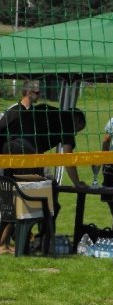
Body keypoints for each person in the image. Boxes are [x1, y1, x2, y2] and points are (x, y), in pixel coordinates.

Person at [0, 105, 87, 254]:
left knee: (10, 194)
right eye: (78, 129)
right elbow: (68, 157)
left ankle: (8, 242)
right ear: (77, 119)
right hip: (25, 152)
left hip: (7, 148)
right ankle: (8, 244)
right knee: (23, 199)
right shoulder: (67, 119)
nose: (75, 134)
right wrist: (77, 183)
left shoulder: (46, 110)